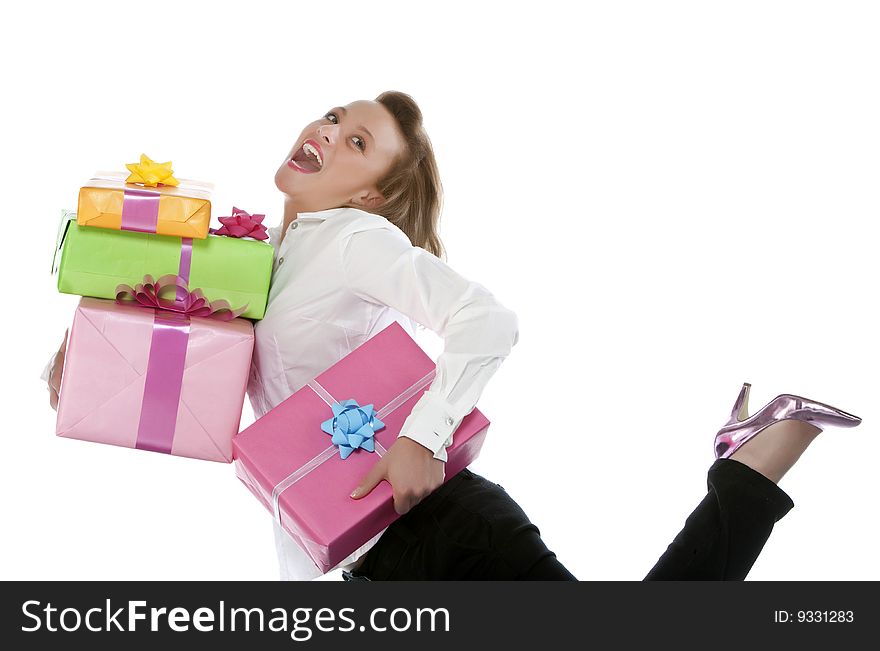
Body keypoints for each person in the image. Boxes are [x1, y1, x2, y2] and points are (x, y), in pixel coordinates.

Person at [45, 91, 862, 581]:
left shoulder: (353, 241)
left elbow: (488, 321)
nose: (327, 132)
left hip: (442, 537)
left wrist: (425, 437)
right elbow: (205, 382)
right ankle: (750, 461)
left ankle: (755, 465)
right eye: (333, 116)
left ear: (371, 194)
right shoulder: (263, 259)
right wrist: (93, 352)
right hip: (357, 557)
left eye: (357, 141)